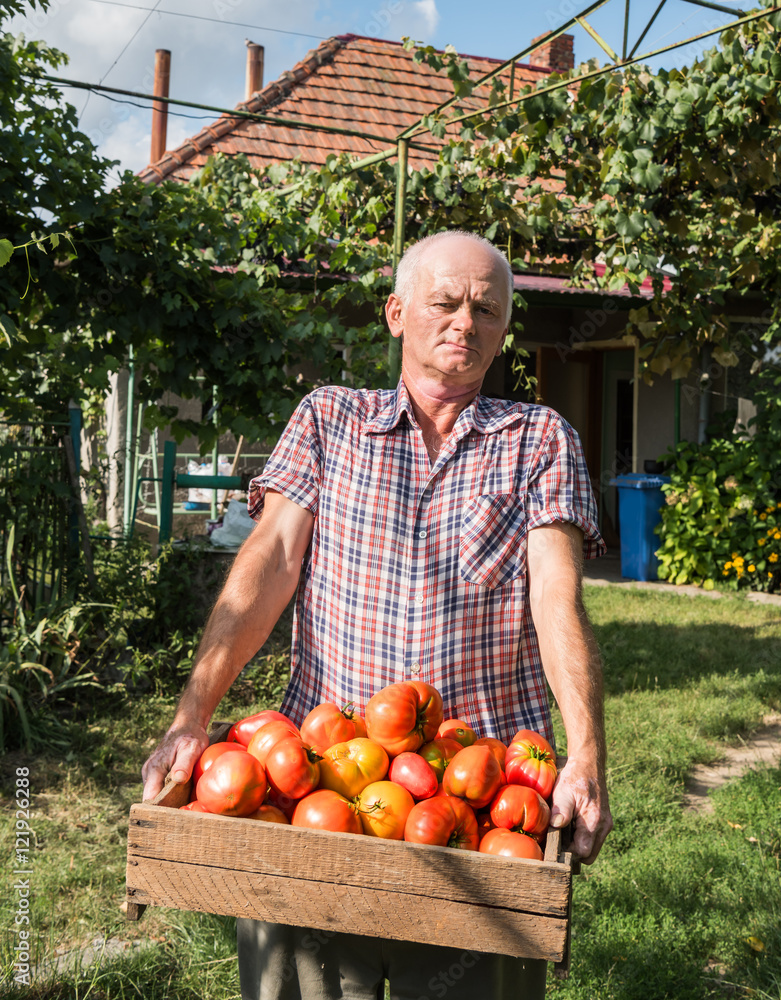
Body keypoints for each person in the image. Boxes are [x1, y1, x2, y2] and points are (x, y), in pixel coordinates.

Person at [141, 230, 613, 1000]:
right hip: (315, 790)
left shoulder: (538, 440)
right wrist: (194, 713)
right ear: (396, 313)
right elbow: (267, 565)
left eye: (486, 309)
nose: (465, 321)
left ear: (502, 330)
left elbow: (555, 597)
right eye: (444, 302)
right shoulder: (330, 420)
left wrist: (586, 754)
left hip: (485, 804)